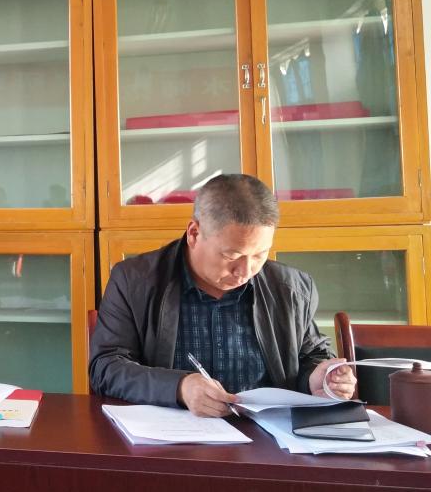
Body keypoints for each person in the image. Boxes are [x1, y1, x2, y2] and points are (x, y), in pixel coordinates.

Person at [90, 173, 356, 417]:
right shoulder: (135, 280)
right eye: (232, 255)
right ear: (194, 233)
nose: (246, 271)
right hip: (172, 435)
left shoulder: (291, 288)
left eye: (259, 255)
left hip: (268, 437)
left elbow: (312, 355)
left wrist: (319, 379)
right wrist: (180, 387)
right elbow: (105, 367)